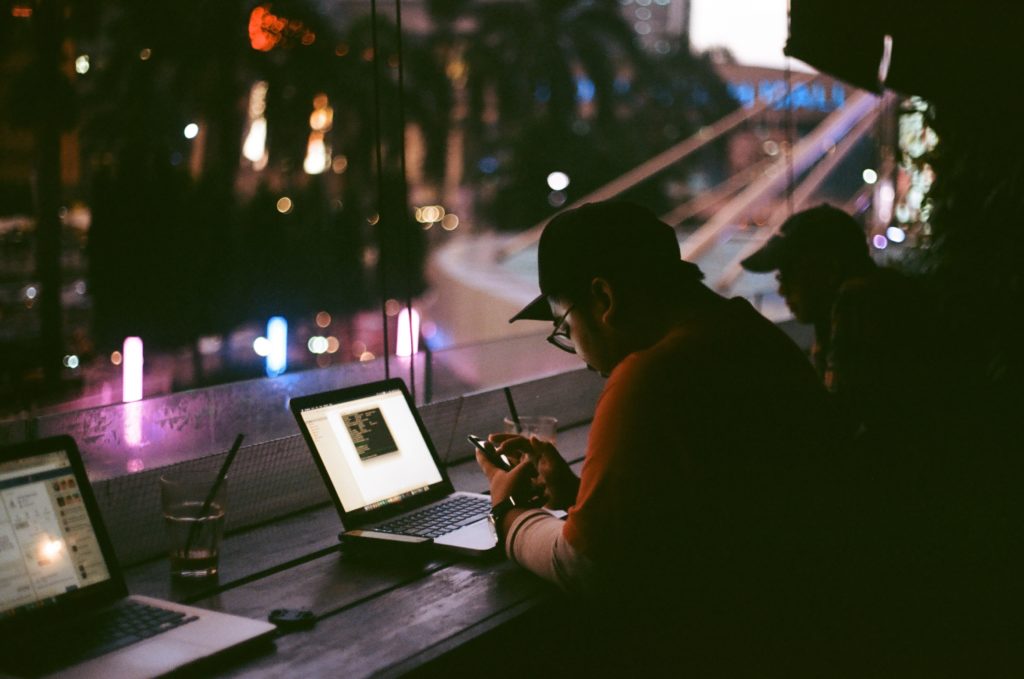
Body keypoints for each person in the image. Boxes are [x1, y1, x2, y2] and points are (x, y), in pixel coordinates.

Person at [476, 200, 845, 671]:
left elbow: (587, 569)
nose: (581, 356)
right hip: (808, 630)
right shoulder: (755, 337)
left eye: (566, 327)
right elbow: (701, 507)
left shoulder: (651, 377)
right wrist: (581, 498)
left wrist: (510, 513)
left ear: (604, 300)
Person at [740, 204, 942, 442]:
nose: (782, 291)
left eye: (789, 276)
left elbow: (835, 424)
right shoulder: (878, 294)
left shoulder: (859, 301)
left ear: (830, 270)